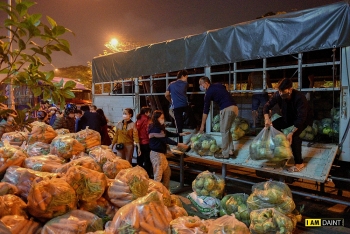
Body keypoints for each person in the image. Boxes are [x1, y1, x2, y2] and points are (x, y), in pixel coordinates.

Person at [263, 78, 313, 172]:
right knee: (274, 125)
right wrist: (267, 119)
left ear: (290, 89)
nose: (281, 94)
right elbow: (266, 106)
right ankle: (283, 148)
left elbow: (301, 118)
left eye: (283, 92)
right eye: (280, 91)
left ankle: (299, 163)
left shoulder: (300, 97)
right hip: (288, 117)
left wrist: (291, 132)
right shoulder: (278, 94)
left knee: (295, 136)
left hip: (303, 120)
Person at [199, 76, 239, 159]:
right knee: (227, 130)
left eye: (201, 84)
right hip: (234, 108)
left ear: (206, 83)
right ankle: (230, 151)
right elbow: (223, 87)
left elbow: (205, 110)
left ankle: (225, 154)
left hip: (226, 109)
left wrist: (202, 125)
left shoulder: (208, 93)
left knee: (224, 131)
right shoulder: (218, 85)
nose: (200, 87)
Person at [148, 110, 189, 188]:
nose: (163, 119)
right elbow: (165, 139)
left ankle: (165, 191)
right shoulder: (155, 129)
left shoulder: (159, 127)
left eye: (163, 118)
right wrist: (178, 144)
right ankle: (155, 193)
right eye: (161, 118)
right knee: (158, 176)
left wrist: (180, 134)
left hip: (161, 154)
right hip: (156, 154)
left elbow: (167, 133)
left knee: (167, 172)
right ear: (157, 118)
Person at [165, 69, 190, 143]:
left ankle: (180, 143)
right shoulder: (185, 84)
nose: (186, 79)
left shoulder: (171, 84)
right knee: (191, 119)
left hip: (176, 107)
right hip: (185, 105)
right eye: (186, 77)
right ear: (183, 76)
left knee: (178, 126)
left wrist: (171, 101)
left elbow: (166, 95)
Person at [136, 107, 153, 177]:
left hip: (139, 143)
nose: (149, 114)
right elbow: (147, 130)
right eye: (149, 112)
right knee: (147, 160)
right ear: (146, 112)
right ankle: (147, 175)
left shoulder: (138, 119)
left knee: (140, 159)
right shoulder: (146, 119)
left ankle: (139, 174)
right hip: (146, 142)